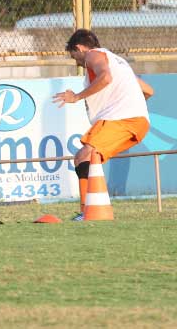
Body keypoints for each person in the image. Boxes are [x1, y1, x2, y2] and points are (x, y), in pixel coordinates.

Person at [53, 29, 153, 221]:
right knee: (90, 157)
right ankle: (89, 212)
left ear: (80, 48)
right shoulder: (119, 62)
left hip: (122, 119)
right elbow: (149, 91)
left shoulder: (93, 55)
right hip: (138, 122)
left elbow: (105, 77)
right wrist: (130, 103)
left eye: (74, 56)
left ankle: (87, 213)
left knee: (84, 156)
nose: (77, 62)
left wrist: (76, 97)